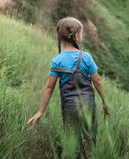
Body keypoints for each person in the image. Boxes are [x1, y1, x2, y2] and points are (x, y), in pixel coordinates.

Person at [26, 17, 110, 157]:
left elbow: (49, 88)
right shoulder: (86, 57)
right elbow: (98, 81)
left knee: (73, 145)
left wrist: (41, 111)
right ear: (77, 36)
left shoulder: (57, 60)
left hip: (69, 109)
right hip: (88, 107)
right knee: (90, 143)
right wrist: (106, 102)